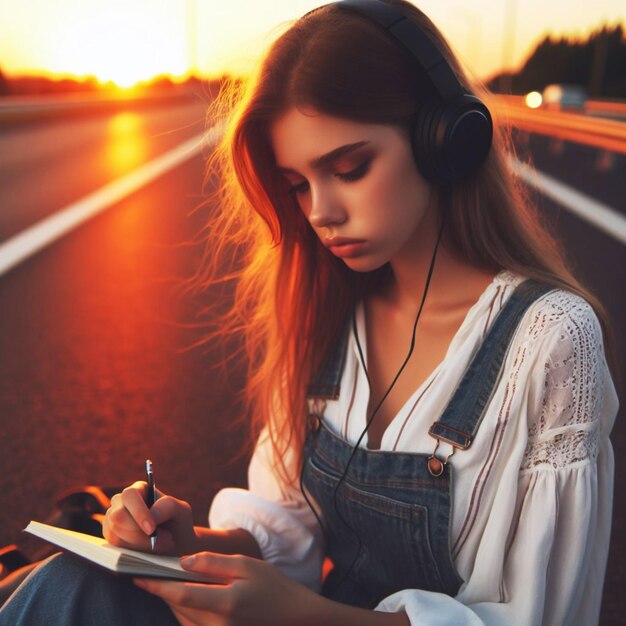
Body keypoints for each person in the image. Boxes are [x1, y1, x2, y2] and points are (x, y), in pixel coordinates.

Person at [0, 1, 619, 624]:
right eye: (297, 183)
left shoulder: (548, 339)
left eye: (349, 169)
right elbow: (286, 541)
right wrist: (184, 547)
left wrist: (298, 616)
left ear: (444, 142)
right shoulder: (326, 314)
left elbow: (541, 617)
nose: (319, 211)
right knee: (74, 582)